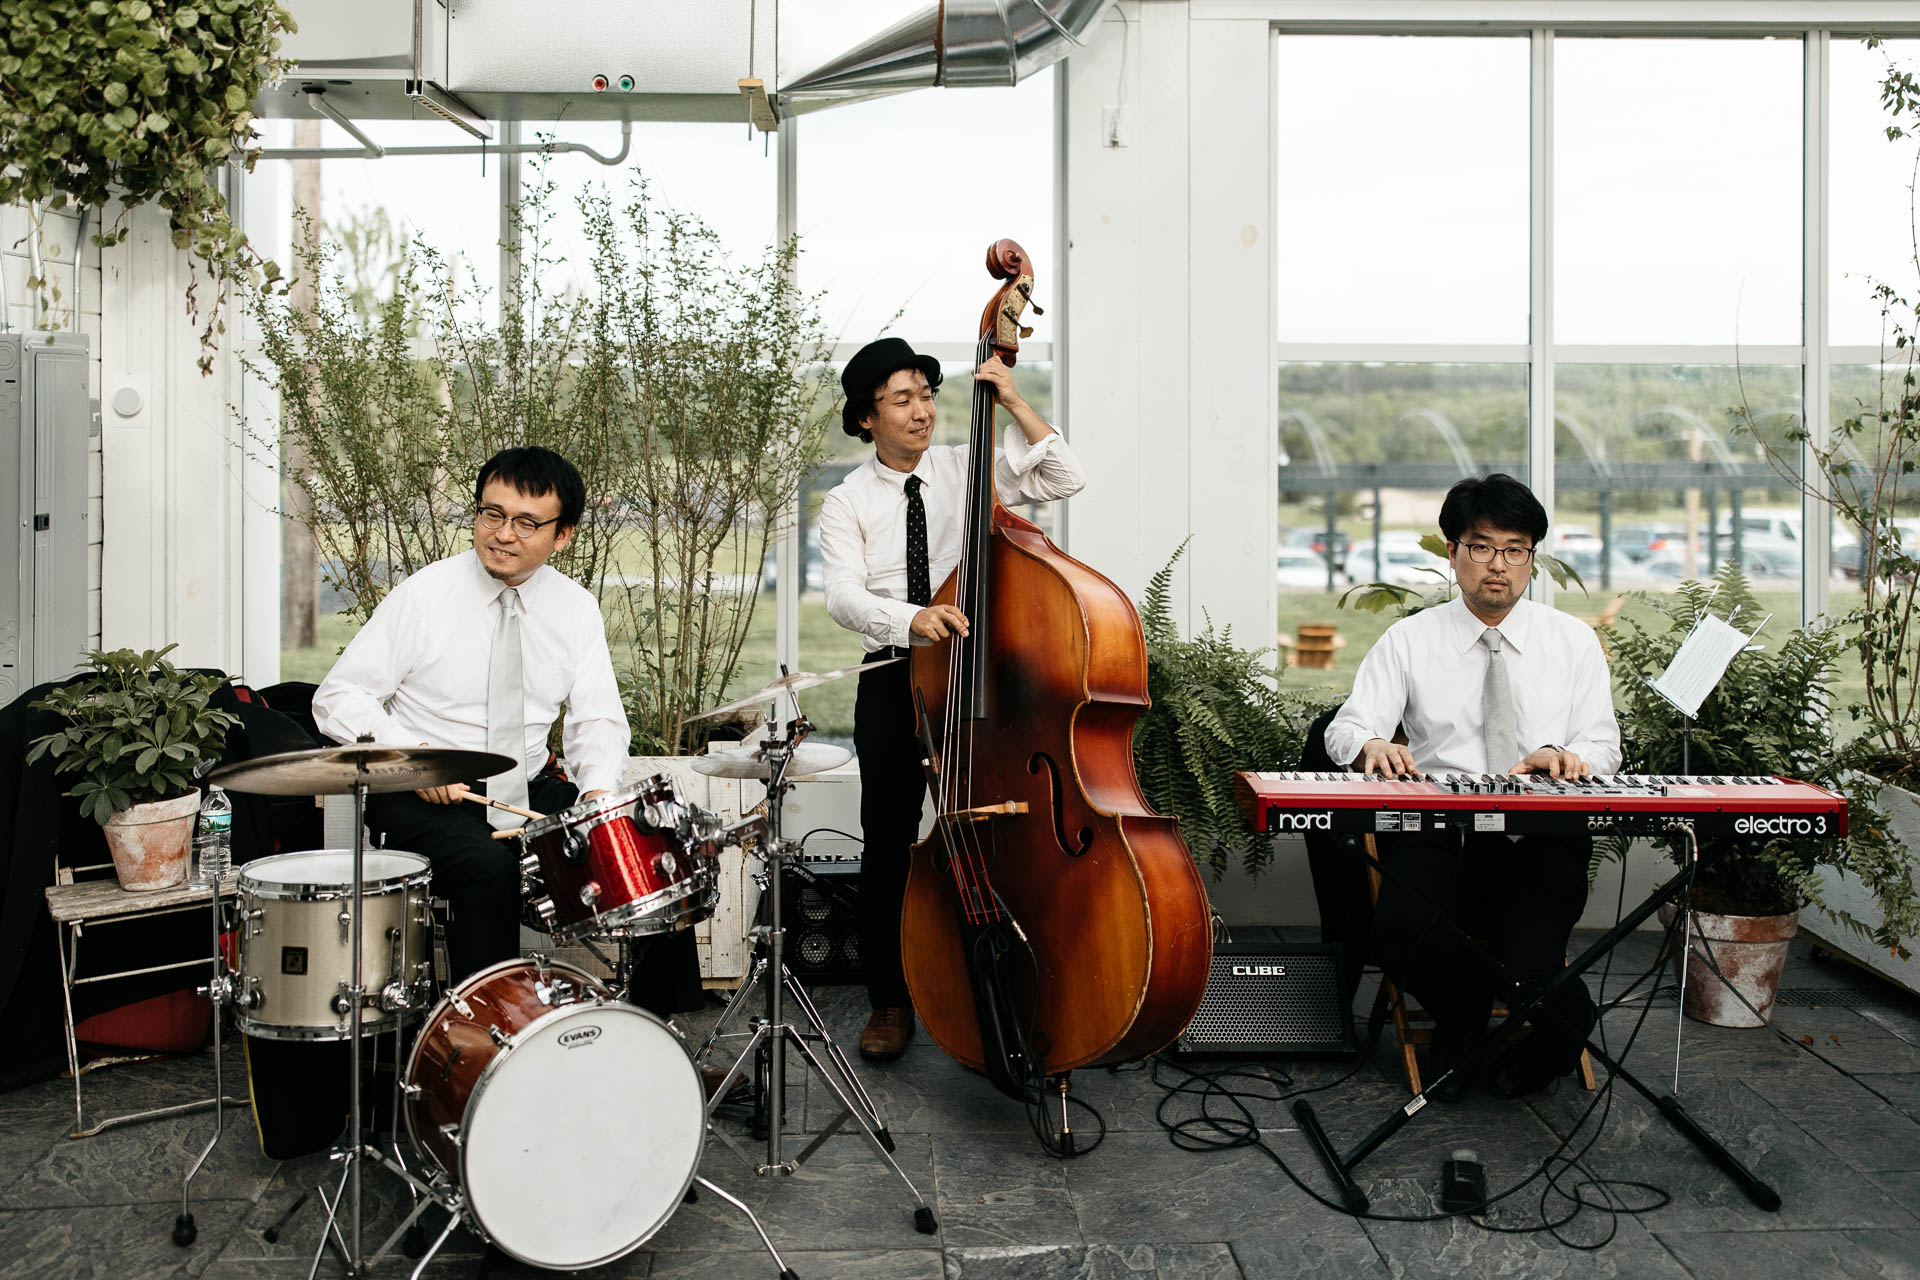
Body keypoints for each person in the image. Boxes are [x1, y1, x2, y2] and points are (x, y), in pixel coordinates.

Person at [818, 337, 1086, 1060]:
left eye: (928, 395)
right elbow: (842, 597)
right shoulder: (846, 503)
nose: (922, 411)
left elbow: (1063, 476)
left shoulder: (967, 468)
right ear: (866, 418)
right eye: (902, 399)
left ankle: (999, 984)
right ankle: (889, 1000)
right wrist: (912, 619)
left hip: (979, 678)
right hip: (891, 677)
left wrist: (1016, 398)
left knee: (992, 831)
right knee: (890, 844)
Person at [1323, 473, 1621, 1100]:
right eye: (1482, 547)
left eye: (1516, 550)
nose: (1499, 566)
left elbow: (1604, 747)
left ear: (1532, 559)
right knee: (1399, 933)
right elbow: (1347, 728)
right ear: (1453, 552)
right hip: (1440, 827)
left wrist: (1568, 758)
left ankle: (1555, 1039)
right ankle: (1461, 1022)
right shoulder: (1409, 640)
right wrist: (1370, 744)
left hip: (1542, 829)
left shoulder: (1572, 642)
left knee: (1529, 955)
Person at [313, 447, 632, 986]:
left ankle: (666, 1045)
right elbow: (339, 697)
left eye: (526, 522)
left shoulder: (575, 608)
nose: (503, 534)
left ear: (563, 535)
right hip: (422, 794)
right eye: (492, 514)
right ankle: (484, 1044)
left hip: (523, 787)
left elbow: (596, 718)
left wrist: (598, 799)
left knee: (633, 851)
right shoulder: (424, 596)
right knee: (490, 870)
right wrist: (420, 759)